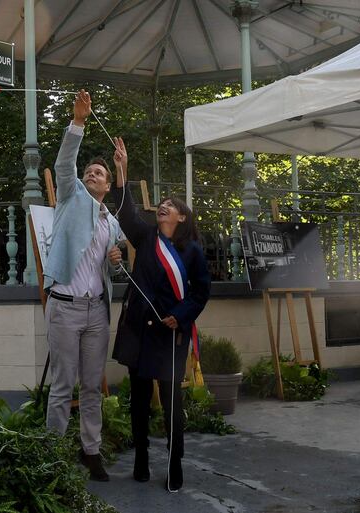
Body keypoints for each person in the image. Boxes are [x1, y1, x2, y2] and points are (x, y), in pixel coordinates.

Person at [109, 138, 211, 491]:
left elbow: (201, 292)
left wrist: (180, 316)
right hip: (139, 329)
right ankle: (141, 459)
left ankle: (174, 461)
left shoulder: (193, 252)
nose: (163, 207)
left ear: (182, 217)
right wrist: (122, 168)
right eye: (163, 204)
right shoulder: (147, 236)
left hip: (170, 333)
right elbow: (126, 213)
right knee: (138, 399)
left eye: (170, 205)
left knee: (171, 402)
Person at [42, 89, 124, 482]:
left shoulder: (111, 221)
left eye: (100, 174)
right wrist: (78, 122)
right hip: (64, 306)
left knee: (92, 387)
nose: (92, 175)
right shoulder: (71, 196)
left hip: (96, 313)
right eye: (89, 171)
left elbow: (122, 257)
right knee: (62, 386)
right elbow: (64, 163)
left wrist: (118, 258)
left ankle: (91, 451)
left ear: (107, 186)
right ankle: (53, 455)